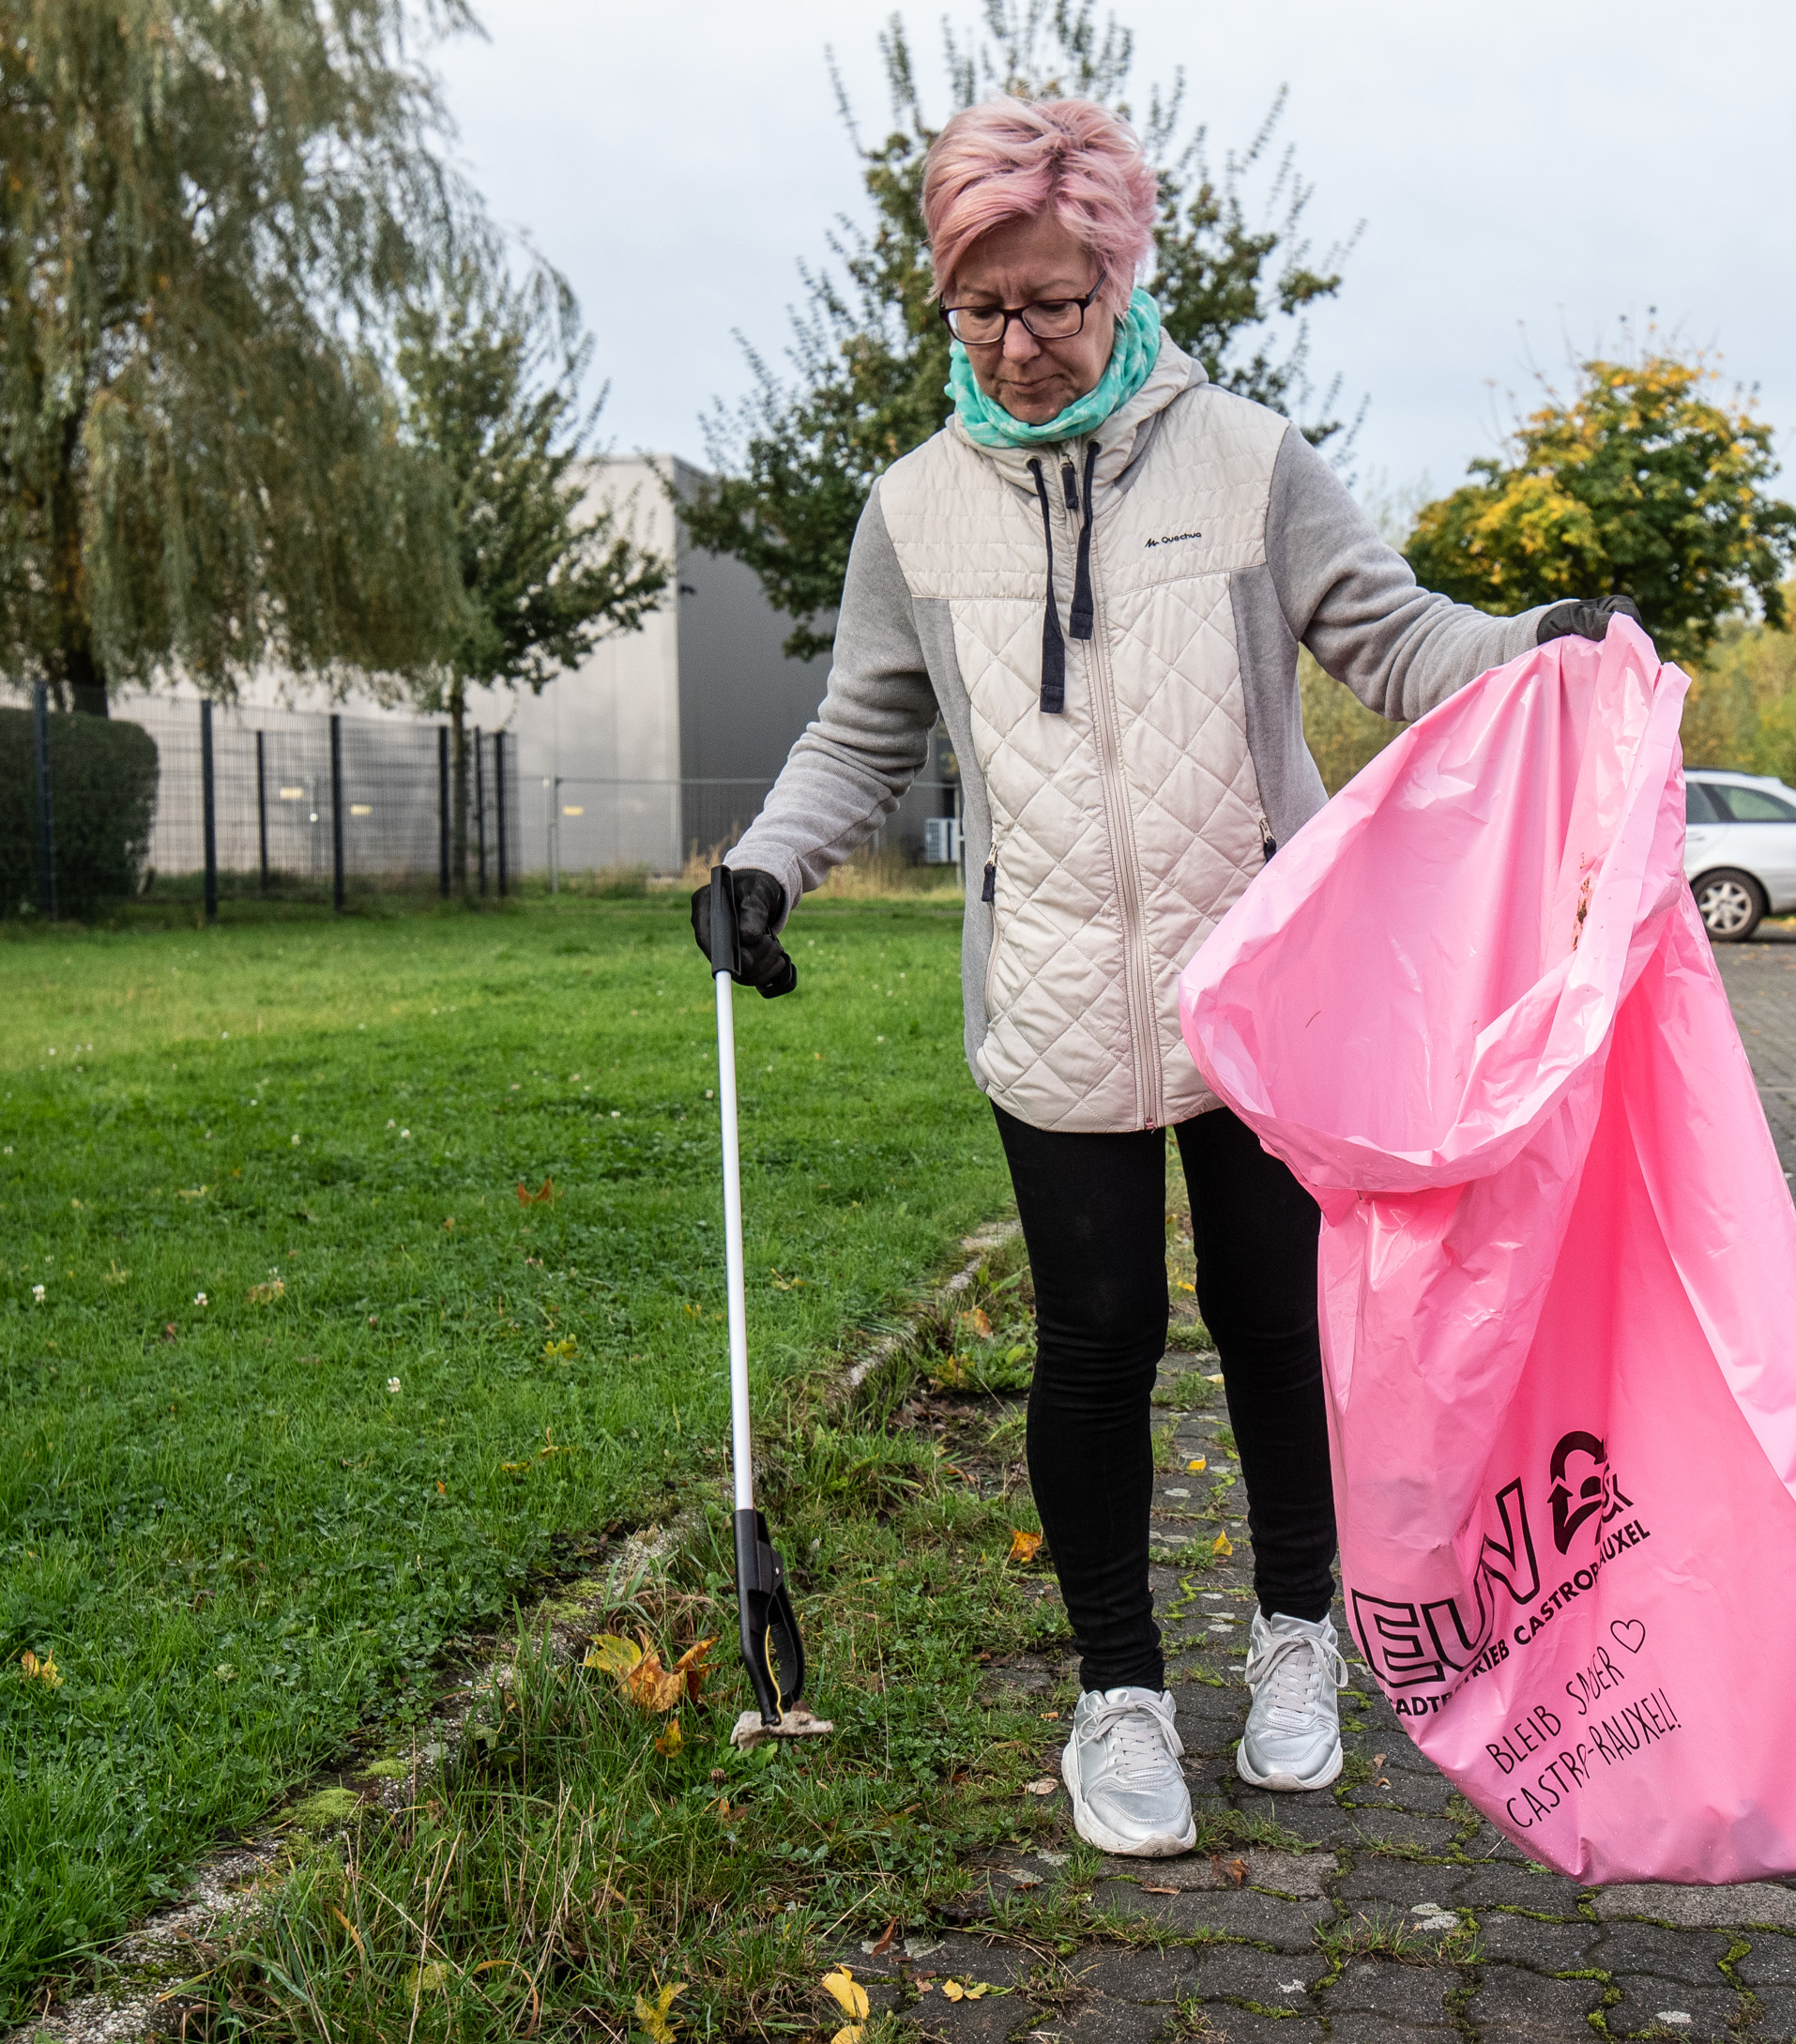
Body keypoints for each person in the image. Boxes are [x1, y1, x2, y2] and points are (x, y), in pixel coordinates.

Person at [693, 94, 1636, 1857]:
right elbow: (860, 735)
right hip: (1050, 991)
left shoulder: (1248, 462)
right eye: (981, 310)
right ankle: (1115, 1690)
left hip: (1262, 987)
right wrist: (764, 864)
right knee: (1096, 1341)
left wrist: (1540, 645)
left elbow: (1395, 636)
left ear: (1120, 277)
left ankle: (1300, 1636)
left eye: (1052, 302)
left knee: (1277, 1327)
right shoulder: (911, 514)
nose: (1018, 344)